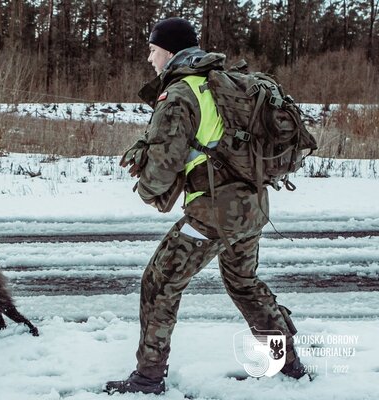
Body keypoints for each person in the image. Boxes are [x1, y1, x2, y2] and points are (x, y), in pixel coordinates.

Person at [104, 17, 307, 395]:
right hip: (252, 205)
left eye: (152, 50)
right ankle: (289, 365)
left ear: (168, 50)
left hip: (214, 213)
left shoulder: (181, 93)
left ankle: (148, 379)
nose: (150, 59)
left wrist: (148, 190)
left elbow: (164, 165)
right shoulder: (224, 81)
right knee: (244, 284)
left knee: (159, 283)